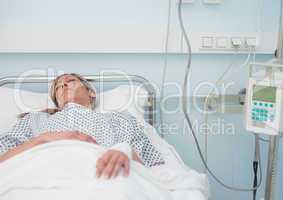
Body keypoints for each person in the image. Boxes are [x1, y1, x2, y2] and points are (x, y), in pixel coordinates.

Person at [0, 73, 164, 179]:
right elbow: (3, 157)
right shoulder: (34, 120)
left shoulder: (121, 119)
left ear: (91, 93)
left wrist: (123, 151)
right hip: (45, 174)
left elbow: (151, 168)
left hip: (106, 174)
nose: (63, 85)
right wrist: (43, 139)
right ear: (57, 100)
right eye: (58, 87)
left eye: (70, 81)